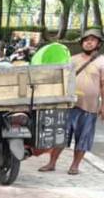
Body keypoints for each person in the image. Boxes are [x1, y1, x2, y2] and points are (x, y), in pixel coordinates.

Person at [38, 29, 104, 175]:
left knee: (84, 138)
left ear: (98, 44)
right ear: (82, 43)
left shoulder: (102, 62)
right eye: (86, 40)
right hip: (68, 104)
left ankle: (75, 166)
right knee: (61, 135)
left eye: (92, 40)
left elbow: (103, 85)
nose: (88, 43)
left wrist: (103, 106)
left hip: (89, 107)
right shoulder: (72, 59)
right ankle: (51, 163)